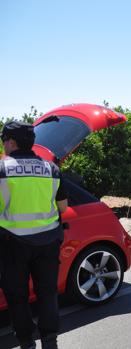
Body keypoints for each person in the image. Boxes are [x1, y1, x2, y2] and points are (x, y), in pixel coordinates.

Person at [0, 121, 68, 349]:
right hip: (48, 242)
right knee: (47, 293)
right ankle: (50, 342)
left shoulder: (2, 169)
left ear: (10, 141)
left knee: (17, 297)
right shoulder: (52, 169)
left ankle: (27, 343)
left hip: (13, 244)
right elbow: (63, 207)